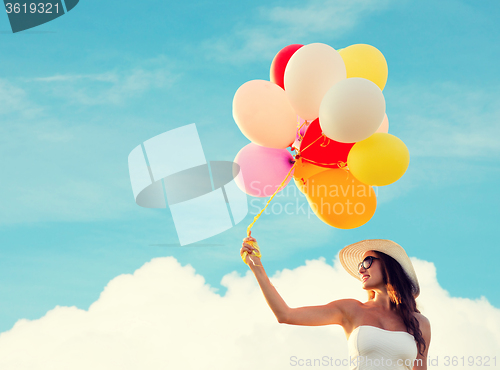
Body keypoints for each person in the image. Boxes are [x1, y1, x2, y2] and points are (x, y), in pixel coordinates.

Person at [240, 232, 431, 370]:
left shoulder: (419, 324)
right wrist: (257, 267)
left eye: (367, 262)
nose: (361, 270)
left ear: (389, 265)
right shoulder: (350, 309)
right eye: (359, 266)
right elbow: (285, 315)